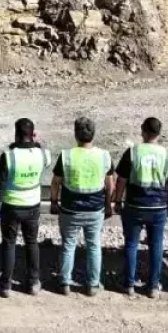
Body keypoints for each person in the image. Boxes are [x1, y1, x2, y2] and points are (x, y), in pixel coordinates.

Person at [112, 117, 168, 298]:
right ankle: (153, 286)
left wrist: (117, 201)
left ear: (143, 131)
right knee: (156, 245)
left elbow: (121, 180)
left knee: (132, 244)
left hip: (135, 205)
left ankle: (129, 284)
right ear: (159, 133)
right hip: (158, 207)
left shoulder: (133, 152)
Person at [49, 117, 113, 296]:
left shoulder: (67, 155)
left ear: (75, 134)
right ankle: (92, 284)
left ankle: (64, 283)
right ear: (94, 134)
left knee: (68, 245)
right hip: (95, 209)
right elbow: (110, 184)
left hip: (71, 209)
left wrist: (54, 202)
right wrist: (108, 204)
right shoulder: (104, 156)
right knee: (94, 246)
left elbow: (55, 182)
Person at [0, 118, 48, 296]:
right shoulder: (42, 154)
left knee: (9, 243)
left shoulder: (9, 155)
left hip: (11, 205)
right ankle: (33, 282)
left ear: (16, 134)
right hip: (32, 205)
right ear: (32, 134)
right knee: (32, 242)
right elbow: (44, 157)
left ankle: (6, 284)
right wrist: (36, 143)